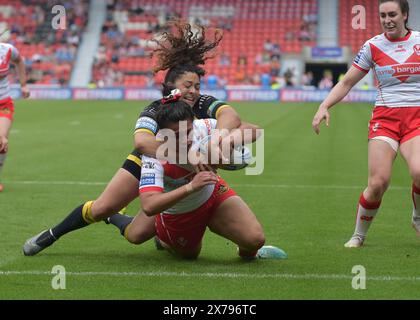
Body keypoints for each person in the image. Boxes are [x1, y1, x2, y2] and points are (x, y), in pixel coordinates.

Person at [22, 20, 258, 256]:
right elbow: (143, 144)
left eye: (197, 85)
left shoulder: (202, 102)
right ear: (170, 86)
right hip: (151, 160)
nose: (194, 91)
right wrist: (191, 156)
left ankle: (167, 233)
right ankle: (52, 234)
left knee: (138, 234)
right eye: (188, 85)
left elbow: (233, 117)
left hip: (183, 167)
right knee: (104, 207)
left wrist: (217, 141)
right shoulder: (155, 109)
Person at [107, 99, 287, 260]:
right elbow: (149, 206)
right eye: (177, 135)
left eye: (188, 131)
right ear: (162, 133)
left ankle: (252, 253)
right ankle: (155, 236)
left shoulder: (204, 127)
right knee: (186, 254)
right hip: (181, 212)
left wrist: (223, 141)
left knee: (255, 240)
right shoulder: (153, 156)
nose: (186, 139)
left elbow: (254, 131)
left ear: (193, 122)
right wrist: (191, 186)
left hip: (213, 191)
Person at [312, 0, 420, 248]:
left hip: (416, 119)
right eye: (383, 15)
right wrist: (324, 106)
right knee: (378, 183)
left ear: (405, 15)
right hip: (385, 120)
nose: (387, 19)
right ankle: (359, 235)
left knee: (419, 172)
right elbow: (346, 82)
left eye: (392, 14)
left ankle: (417, 217)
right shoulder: (373, 46)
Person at [0, 40, 30, 192]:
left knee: (1, 141)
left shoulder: (8, 50)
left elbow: (19, 61)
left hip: (3, 104)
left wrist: (23, 84)